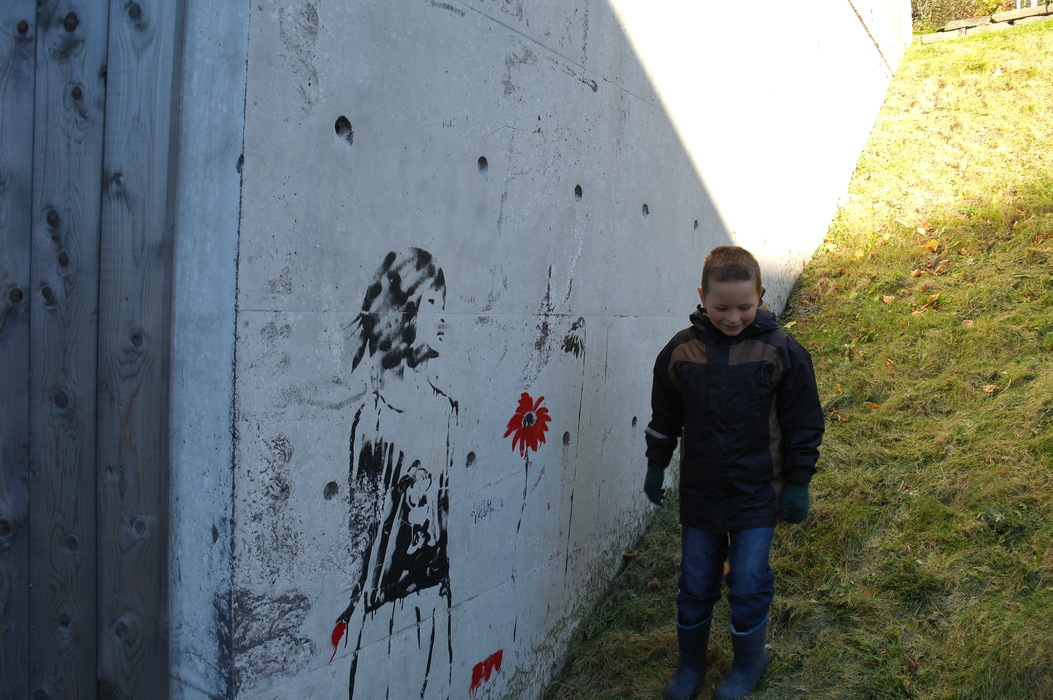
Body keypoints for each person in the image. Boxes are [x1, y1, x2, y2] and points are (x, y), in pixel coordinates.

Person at [643, 246, 824, 700]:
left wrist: (798, 482)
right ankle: (691, 663)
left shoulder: (781, 351)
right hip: (701, 493)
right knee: (695, 582)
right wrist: (656, 464)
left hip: (758, 492)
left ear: (760, 296)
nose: (733, 317)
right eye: (721, 307)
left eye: (744, 307)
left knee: (747, 581)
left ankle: (749, 662)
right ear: (702, 296)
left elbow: (804, 423)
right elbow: (665, 417)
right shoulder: (680, 352)